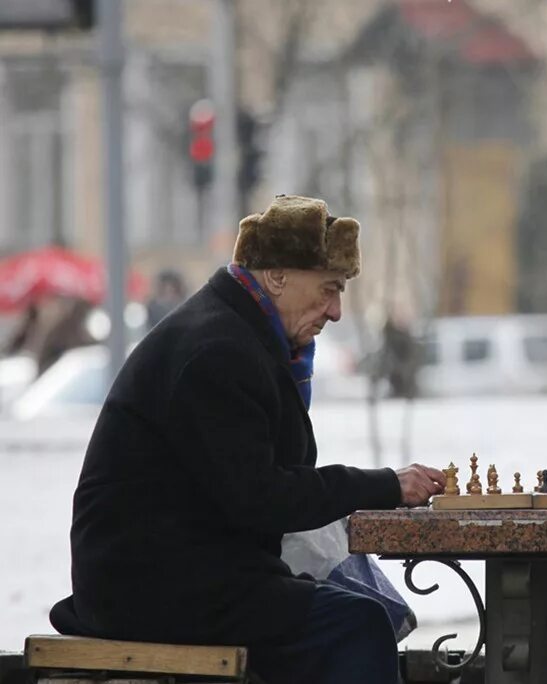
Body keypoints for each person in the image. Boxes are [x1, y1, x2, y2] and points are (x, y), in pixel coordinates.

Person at [50, 194, 445, 684]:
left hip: (179, 572)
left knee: (349, 608)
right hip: (151, 585)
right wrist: (386, 486)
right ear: (276, 276)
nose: (337, 311)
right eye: (328, 289)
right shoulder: (218, 350)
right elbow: (262, 498)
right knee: (356, 623)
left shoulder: (237, 333)